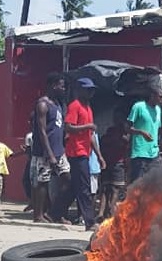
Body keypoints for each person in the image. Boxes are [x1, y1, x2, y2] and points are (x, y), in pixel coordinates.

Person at [54, 76, 97, 230]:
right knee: (84, 187)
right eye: (88, 89)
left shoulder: (88, 107)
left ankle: (55, 213)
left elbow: (90, 134)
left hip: (85, 151)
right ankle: (90, 222)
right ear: (80, 90)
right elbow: (69, 127)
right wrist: (87, 126)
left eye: (92, 90)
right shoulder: (75, 106)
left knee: (74, 186)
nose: (91, 92)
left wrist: (99, 155)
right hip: (76, 152)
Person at [28, 73, 69, 223]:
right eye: (61, 85)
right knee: (42, 182)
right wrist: (50, 154)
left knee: (68, 179)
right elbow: (42, 131)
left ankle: (55, 212)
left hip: (59, 150)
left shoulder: (57, 104)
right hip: (44, 152)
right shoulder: (43, 104)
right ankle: (38, 215)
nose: (63, 89)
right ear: (53, 85)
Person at [126, 86, 162, 186]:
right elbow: (127, 128)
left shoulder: (158, 110)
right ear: (152, 95)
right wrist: (142, 132)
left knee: (153, 186)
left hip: (154, 154)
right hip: (140, 154)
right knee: (137, 186)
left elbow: (157, 129)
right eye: (160, 96)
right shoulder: (138, 107)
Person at [101, 118, 128, 219]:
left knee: (105, 189)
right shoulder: (122, 135)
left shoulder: (109, 133)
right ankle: (111, 212)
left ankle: (102, 212)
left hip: (108, 163)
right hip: (116, 164)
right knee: (115, 189)